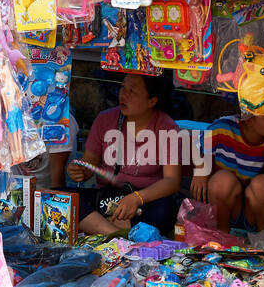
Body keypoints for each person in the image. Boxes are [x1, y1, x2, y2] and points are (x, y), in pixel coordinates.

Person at [67, 73, 181, 235]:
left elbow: (172, 181)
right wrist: (80, 170)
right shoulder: (105, 119)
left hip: (144, 203)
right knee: (59, 196)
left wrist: (137, 198)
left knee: (164, 211)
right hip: (107, 199)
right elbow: (88, 162)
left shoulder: (167, 128)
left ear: (152, 101)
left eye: (132, 91)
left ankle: (99, 227)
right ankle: (117, 234)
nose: (123, 95)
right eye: (123, 87)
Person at [192, 111, 264, 233]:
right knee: (222, 181)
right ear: (249, 120)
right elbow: (199, 146)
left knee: (263, 185)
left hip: (262, 211)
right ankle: (221, 234)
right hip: (229, 208)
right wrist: (200, 173)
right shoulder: (223, 127)